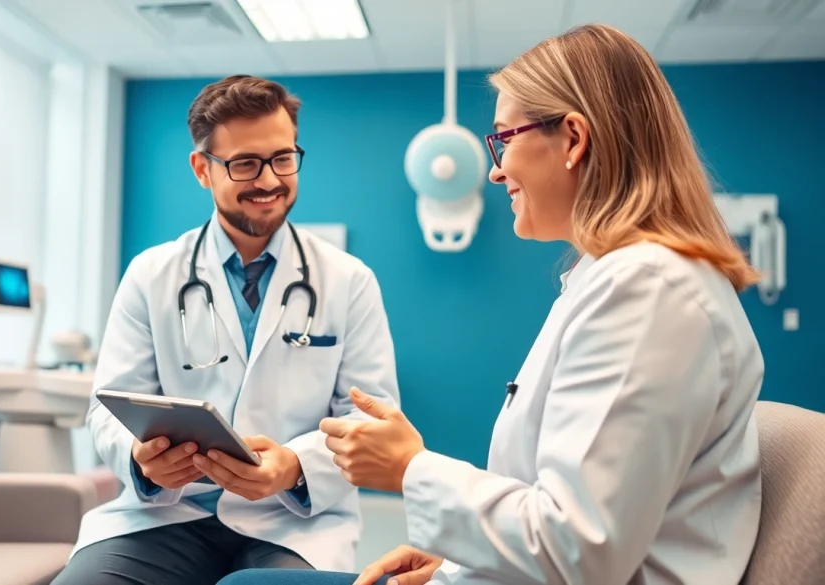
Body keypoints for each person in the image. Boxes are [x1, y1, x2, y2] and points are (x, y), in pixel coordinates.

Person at [217, 23, 764, 585]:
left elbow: (582, 551)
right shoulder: (616, 278)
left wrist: (411, 467)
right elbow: (566, 510)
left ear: (573, 139)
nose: (496, 169)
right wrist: (455, 563)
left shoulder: (648, 292)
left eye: (504, 139)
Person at [52, 75, 401, 585]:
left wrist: (293, 467)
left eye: (282, 158)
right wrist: (141, 458)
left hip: (292, 520)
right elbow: (109, 407)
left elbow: (370, 421)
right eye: (244, 164)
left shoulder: (349, 281)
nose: (268, 180)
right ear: (202, 169)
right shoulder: (151, 274)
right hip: (166, 517)